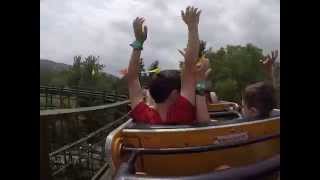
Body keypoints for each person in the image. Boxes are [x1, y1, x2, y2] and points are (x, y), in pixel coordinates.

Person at [127, 6, 201, 124]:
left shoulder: (142, 115)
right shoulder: (183, 112)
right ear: (174, 94)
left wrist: (138, 42)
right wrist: (193, 27)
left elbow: (132, 78)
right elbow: (190, 68)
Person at [241, 50, 278, 119]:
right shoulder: (275, 122)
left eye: (243, 106)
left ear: (253, 111)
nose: (241, 110)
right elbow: (270, 94)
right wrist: (269, 71)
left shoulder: (238, 127)